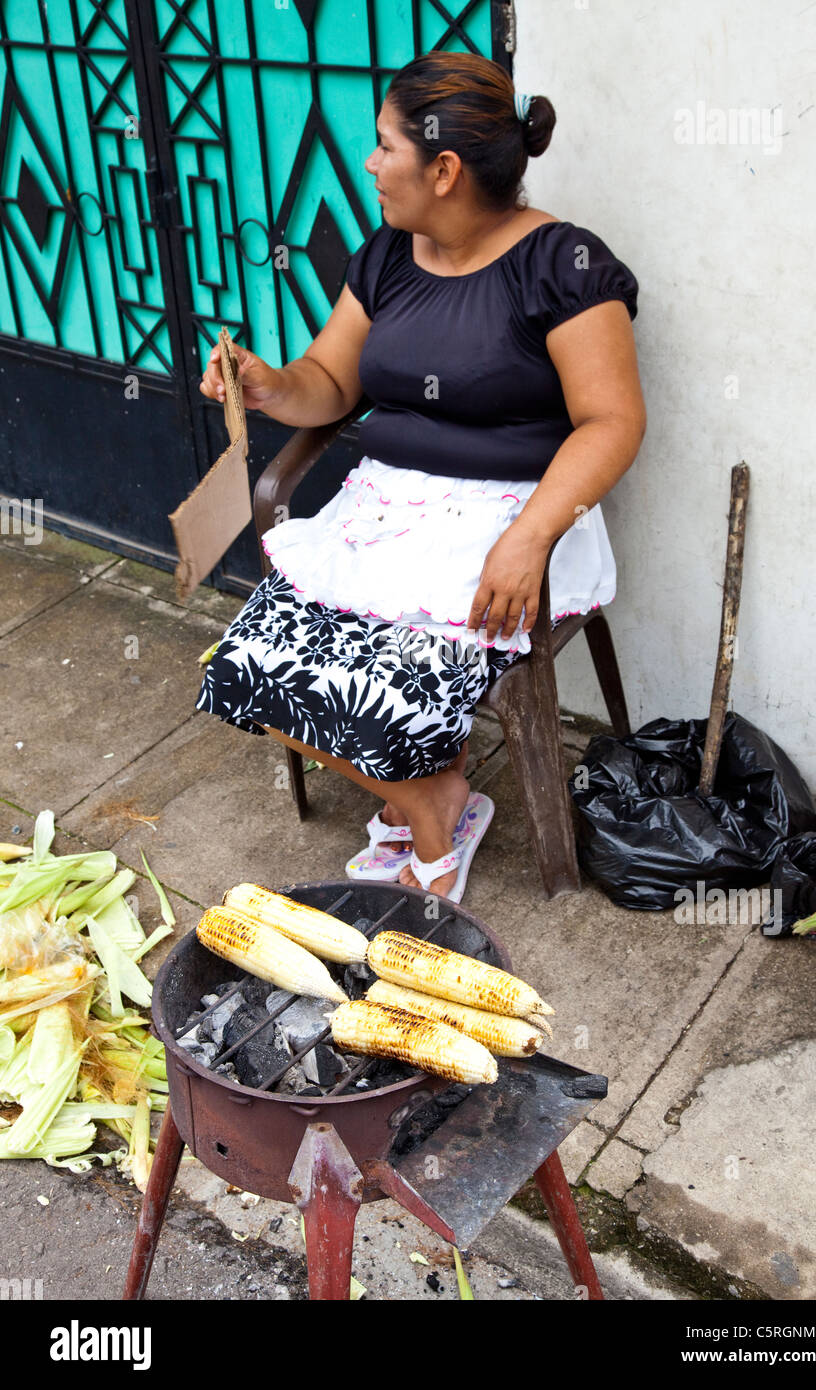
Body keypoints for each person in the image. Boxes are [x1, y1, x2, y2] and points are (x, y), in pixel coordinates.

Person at [197, 51, 646, 904]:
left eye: (382, 146)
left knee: (387, 701)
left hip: (507, 519)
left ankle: (432, 816)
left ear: (443, 169)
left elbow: (612, 422)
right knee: (244, 671)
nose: (368, 163)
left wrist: (528, 538)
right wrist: (267, 383)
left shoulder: (563, 267)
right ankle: (440, 796)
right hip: (383, 513)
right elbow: (329, 382)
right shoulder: (390, 257)